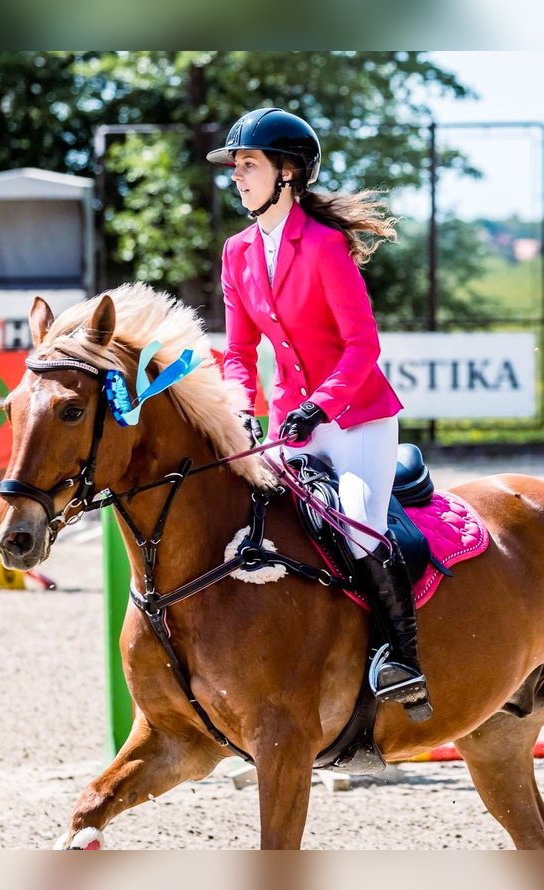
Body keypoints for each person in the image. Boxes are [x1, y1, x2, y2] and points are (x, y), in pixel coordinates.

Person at [207, 107, 430, 718]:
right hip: (288, 421)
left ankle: (402, 659)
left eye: (248, 164)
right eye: (235, 166)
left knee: (358, 526)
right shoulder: (238, 252)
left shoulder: (326, 246)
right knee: (256, 529)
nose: (238, 176)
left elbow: (363, 346)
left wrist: (321, 406)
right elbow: (237, 352)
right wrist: (240, 408)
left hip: (357, 418)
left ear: (287, 173)